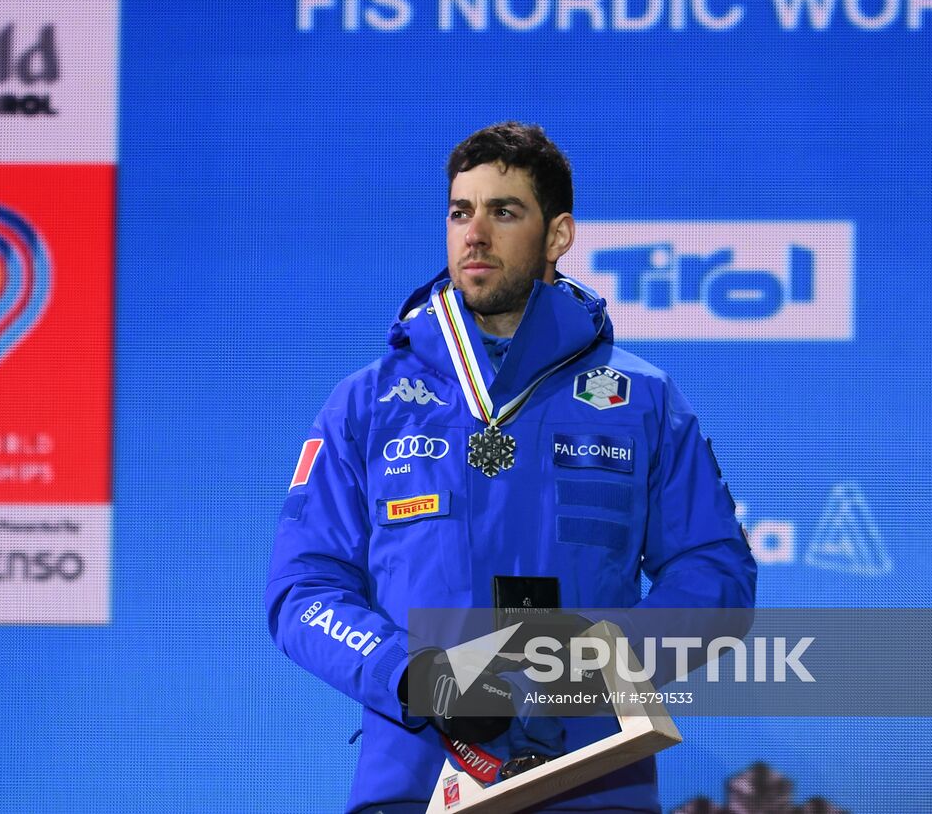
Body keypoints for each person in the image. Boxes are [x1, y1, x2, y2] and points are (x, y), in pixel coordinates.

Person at [266, 122, 756, 812]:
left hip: (593, 782)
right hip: (416, 782)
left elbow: (717, 573)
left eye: (504, 211)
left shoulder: (641, 399)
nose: (475, 233)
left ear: (557, 236)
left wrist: (599, 664)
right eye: (461, 211)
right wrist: (412, 674)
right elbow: (303, 590)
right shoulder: (367, 404)